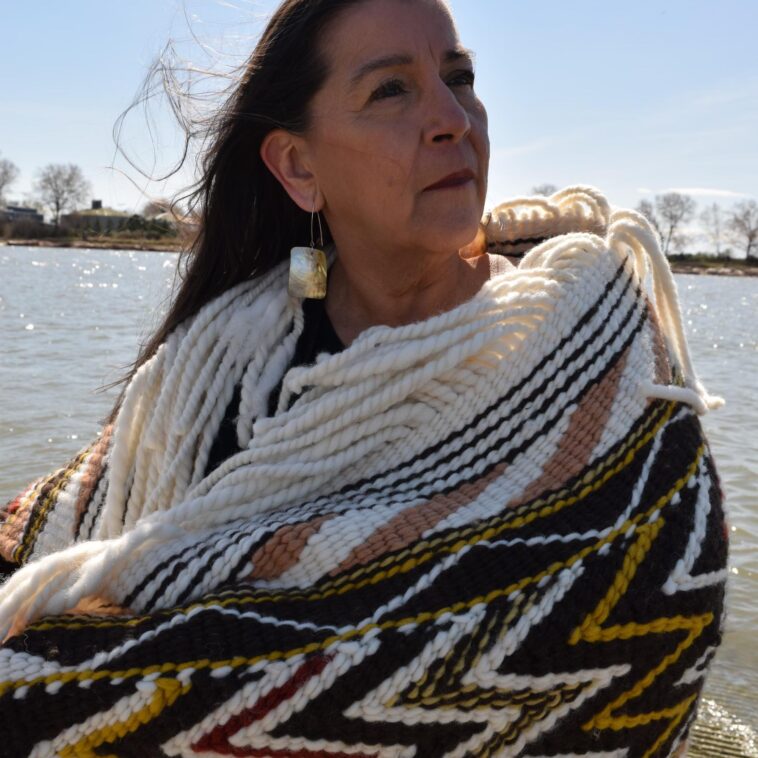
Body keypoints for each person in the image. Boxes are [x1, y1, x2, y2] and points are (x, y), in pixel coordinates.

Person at [0, 1, 727, 756]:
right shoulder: (222, 361)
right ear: (299, 166)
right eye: (391, 90)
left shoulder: (595, 343)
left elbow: (650, 588)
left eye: (460, 77)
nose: (453, 118)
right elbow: (71, 522)